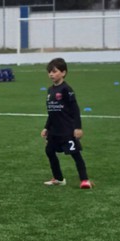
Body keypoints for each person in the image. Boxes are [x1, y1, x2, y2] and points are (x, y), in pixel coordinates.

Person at [42, 58, 91, 189]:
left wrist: (78, 127)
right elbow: (52, 112)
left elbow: (75, 109)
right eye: (49, 72)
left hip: (67, 130)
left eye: (54, 71)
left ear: (63, 73)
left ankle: (85, 180)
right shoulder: (50, 90)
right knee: (49, 151)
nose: (51, 74)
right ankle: (58, 178)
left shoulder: (66, 89)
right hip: (54, 130)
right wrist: (46, 128)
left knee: (75, 154)